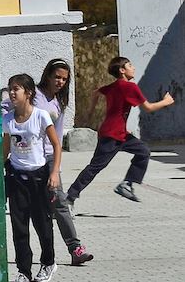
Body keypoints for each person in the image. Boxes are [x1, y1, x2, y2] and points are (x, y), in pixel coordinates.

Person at [67, 56, 174, 206]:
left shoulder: (113, 86)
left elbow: (96, 92)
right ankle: (69, 197)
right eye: (130, 65)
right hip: (112, 135)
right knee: (95, 167)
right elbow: (148, 108)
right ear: (122, 70)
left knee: (143, 151)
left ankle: (127, 184)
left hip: (119, 133)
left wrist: (90, 113)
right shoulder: (130, 87)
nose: (134, 67)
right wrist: (166, 102)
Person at [3, 73, 62, 282]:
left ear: (28, 93)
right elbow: (6, 148)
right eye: (10, 88)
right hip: (17, 178)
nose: (11, 93)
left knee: (43, 224)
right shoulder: (8, 119)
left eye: (16, 89)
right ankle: (23, 272)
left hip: (39, 177)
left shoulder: (40, 116)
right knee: (19, 228)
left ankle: (48, 262)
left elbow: (56, 145)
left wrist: (54, 172)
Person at [33, 60, 92, 265]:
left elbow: (57, 138)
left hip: (48, 159)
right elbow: (9, 108)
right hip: (28, 159)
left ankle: (75, 248)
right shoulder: (33, 95)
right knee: (32, 210)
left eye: (64, 79)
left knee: (59, 202)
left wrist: (56, 168)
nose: (60, 81)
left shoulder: (59, 101)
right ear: (48, 75)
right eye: (57, 76)